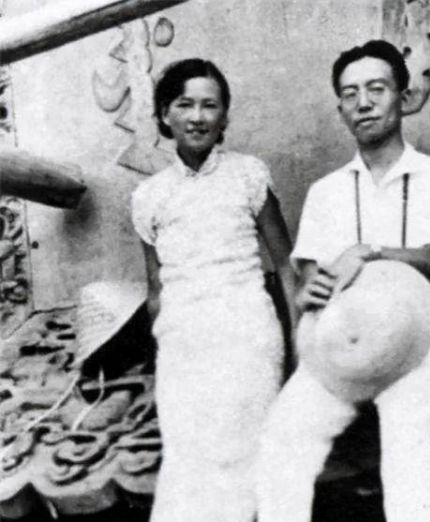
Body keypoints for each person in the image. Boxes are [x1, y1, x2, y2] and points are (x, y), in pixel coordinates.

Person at [257, 40, 430, 522]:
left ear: (404, 96)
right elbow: (309, 276)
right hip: (342, 341)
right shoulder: (325, 192)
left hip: (420, 337)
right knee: (280, 438)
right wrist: (310, 289)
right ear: (340, 110)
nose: (364, 103)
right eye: (350, 94)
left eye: (377, 88)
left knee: (406, 444)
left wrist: (369, 252)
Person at [130, 58, 296, 522]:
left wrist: (299, 342)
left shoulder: (248, 175)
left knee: (250, 468)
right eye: (185, 105)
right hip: (183, 345)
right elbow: (156, 291)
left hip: (248, 337)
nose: (198, 117)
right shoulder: (149, 196)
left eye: (210, 105)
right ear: (164, 114)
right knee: (188, 472)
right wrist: (164, 359)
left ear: (224, 116)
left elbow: (287, 267)